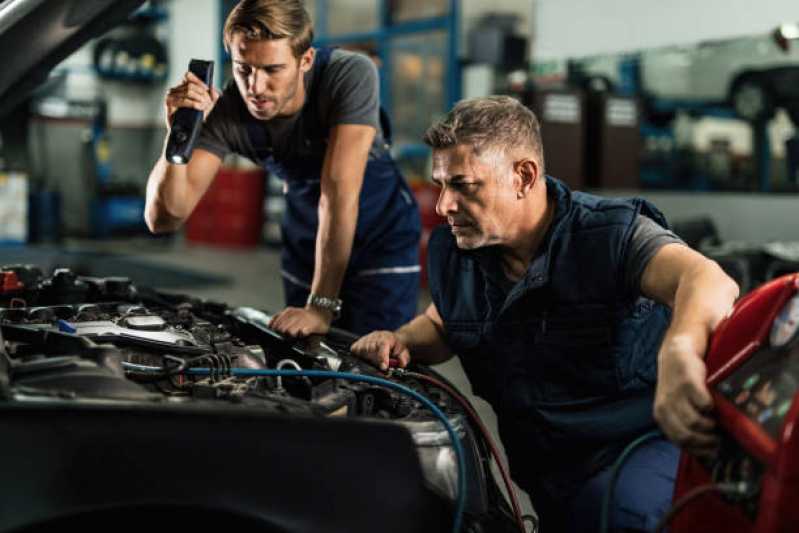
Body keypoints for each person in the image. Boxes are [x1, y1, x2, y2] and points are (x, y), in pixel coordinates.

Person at [351, 96, 739, 532]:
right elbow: (443, 322)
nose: (443, 205)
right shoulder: (456, 251)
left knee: (622, 514)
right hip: (545, 471)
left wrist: (680, 352)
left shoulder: (607, 235)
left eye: (463, 185)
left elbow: (707, 279)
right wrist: (402, 339)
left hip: (637, 450)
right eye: (440, 185)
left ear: (523, 176)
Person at [145, 0, 421, 336]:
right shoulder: (228, 111)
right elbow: (164, 218)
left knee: (377, 353)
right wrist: (177, 135)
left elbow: (337, 193)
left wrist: (320, 306)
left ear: (305, 60)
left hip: (379, 234)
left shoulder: (348, 74)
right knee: (304, 357)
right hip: (307, 233)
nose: (255, 88)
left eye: (272, 69)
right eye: (243, 68)